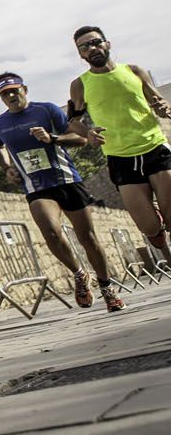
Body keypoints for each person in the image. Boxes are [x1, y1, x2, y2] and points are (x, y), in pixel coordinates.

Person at [0, 72, 123, 311]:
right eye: (4, 93)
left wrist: (52, 139)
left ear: (25, 89)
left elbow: (79, 139)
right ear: (0, 97)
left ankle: (107, 288)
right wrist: (7, 168)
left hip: (66, 180)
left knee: (88, 238)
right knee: (50, 232)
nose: (10, 96)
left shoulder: (46, 110)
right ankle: (80, 274)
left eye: (14, 90)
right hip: (36, 186)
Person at [66, 26, 171, 270]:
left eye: (95, 42)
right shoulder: (80, 85)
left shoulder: (133, 71)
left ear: (107, 44)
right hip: (120, 157)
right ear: (80, 55)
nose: (92, 48)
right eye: (84, 47)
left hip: (154, 146)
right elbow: (73, 122)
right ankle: (156, 223)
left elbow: (156, 100)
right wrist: (88, 133)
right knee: (149, 228)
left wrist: (162, 108)